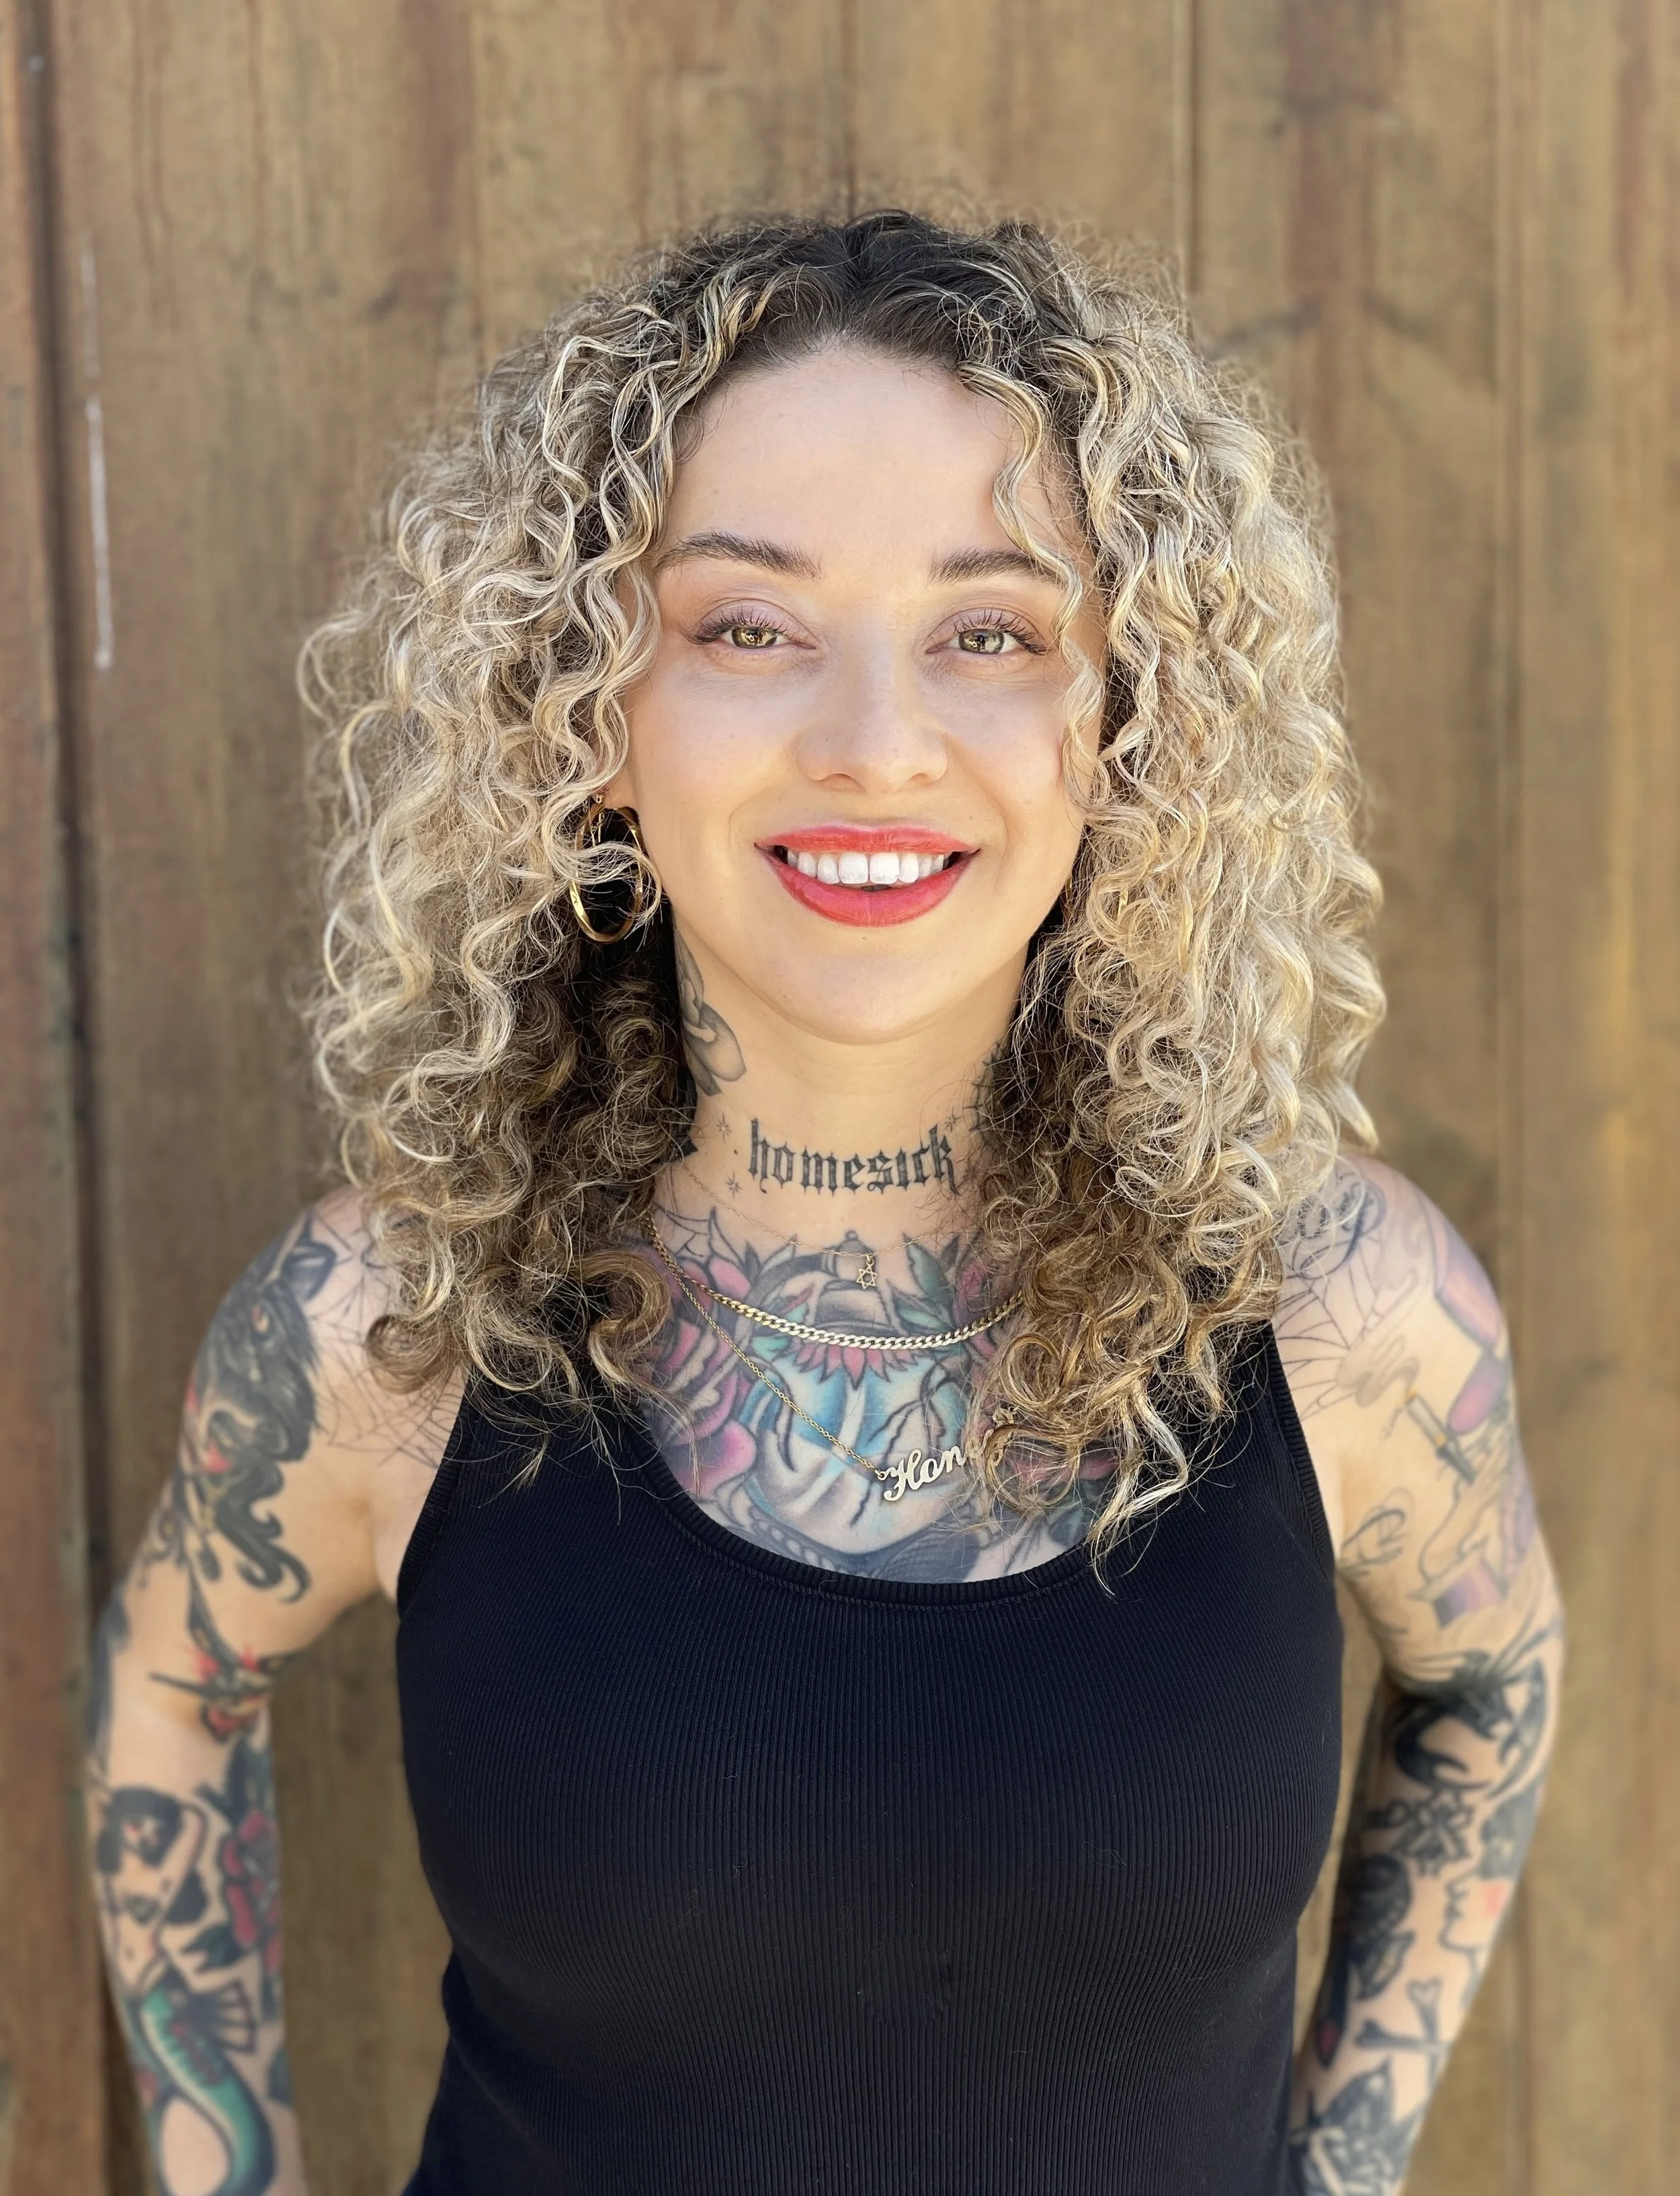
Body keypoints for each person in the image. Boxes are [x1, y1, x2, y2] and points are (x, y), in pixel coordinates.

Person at [85, 211, 1563, 2196]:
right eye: (746, 625)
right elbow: (176, 1681)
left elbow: (1491, 1682)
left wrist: (1346, 2160)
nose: (874, 744)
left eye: (989, 630)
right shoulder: (390, 1326)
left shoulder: (1341, 1309)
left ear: (1129, 726)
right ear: (585, 718)